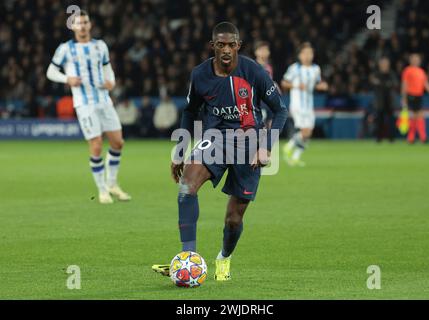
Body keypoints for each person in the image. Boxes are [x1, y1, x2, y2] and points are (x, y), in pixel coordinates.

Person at [152, 22, 288, 281]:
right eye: (221, 45)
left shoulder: (253, 72)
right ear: (212, 46)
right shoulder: (200, 74)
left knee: (233, 220)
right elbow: (190, 112)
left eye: (231, 45)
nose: (226, 50)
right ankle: (188, 258)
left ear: (238, 46)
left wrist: (264, 146)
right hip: (214, 139)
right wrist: (180, 151)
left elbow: (280, 109)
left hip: (249, 145)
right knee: (186, 188)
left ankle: (224, 257)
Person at [46, 10, 131, 204]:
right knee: (96, 145)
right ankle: (102, 190)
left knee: (118, 142)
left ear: (90, 25)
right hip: (84, 104)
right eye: (79, 23)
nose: (82, 26)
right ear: (73, 27)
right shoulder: (66, 49)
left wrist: (112, 82)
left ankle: (112, 184)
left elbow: (107, 68)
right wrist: (66, 78)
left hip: (104, 99)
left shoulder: (100, 46)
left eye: (85, 22)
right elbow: (50, 71)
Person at [281, 42, 328, 166]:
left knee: (308, 133)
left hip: (309, 104)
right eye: (305, 53)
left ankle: (295, 157)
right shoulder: (294, 68)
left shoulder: (315, 69)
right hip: (297, 104)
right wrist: (296, 85)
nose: (307, 56)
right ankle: (289, 146)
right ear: (300, 55)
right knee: (305, 131)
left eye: (310, 53)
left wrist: (321, 86)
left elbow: (317, 83)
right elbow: (284, 83)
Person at [401, 53, 429, 143]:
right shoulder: (407, 70)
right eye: (414, 59)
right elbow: (404, 84)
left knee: (417, 117)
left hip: (419, 96)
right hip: (411, 95)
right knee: (418, 116)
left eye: (417, 59)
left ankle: (412, 138)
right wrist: (404, 98)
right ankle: (420, 138)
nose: (416, 61)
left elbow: (426, 84)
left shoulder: (421, 71)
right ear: (410, 61)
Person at [370, 57, 398, 142]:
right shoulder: (376, 74)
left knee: (391, 121)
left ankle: (391, 138)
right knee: (379, 121)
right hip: (380, 102)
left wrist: (381, 83)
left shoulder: (391, 74)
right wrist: (386, 84)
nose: (384, 65)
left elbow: (395, 84)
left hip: (390, 101)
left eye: (386, 64)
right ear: (380, 65)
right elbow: (373, 82)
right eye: (383, 64)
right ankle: (379, 138)